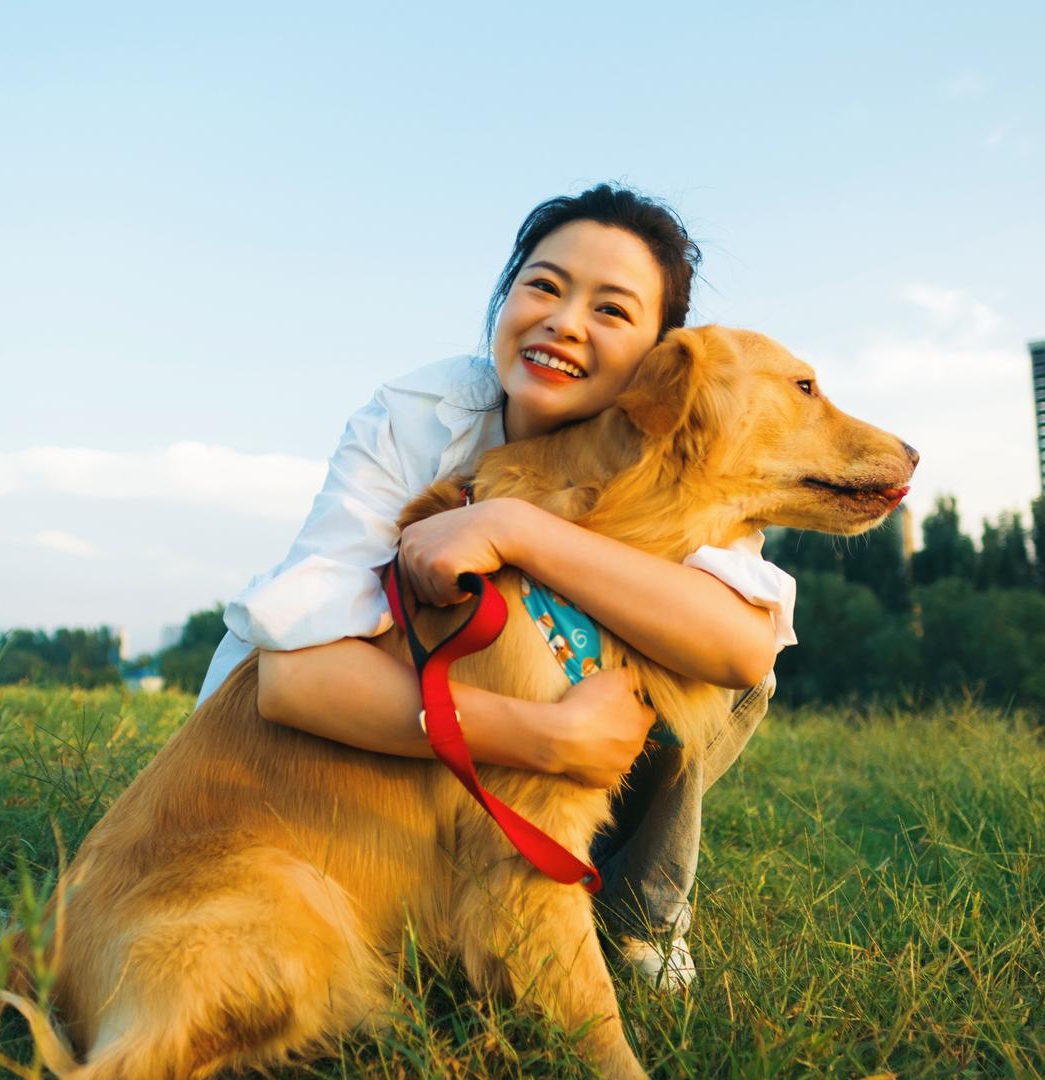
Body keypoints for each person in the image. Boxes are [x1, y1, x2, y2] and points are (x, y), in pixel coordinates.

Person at [198, 183, 797, 989]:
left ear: (661, 358)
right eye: (543, 285)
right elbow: (295, 682)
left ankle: (638, 923)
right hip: (296, 782)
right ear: (505, 296)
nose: (565, 321)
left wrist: (516, 531)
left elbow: (740, 653)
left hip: (466, 751)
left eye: (613, 311)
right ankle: (452, 900)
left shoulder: (686, 451)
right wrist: (546, 739)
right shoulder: (418, 418)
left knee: (695, 646)